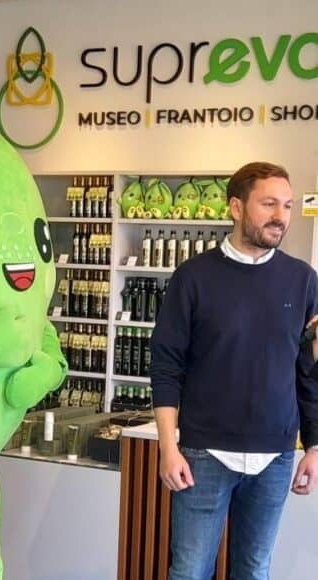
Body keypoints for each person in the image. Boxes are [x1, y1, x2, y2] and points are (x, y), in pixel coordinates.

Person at [150, 161, 318, 580]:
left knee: (254, 570)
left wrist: (314, 447)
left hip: (276, 456)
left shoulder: (303, 281)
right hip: (204, 454)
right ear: (236, 207)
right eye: (268, 204)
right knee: (189, 572)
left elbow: (309, 371)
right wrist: (168, 447)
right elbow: (166, 365)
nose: (280, 216)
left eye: (287, 205)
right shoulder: (193, 278)